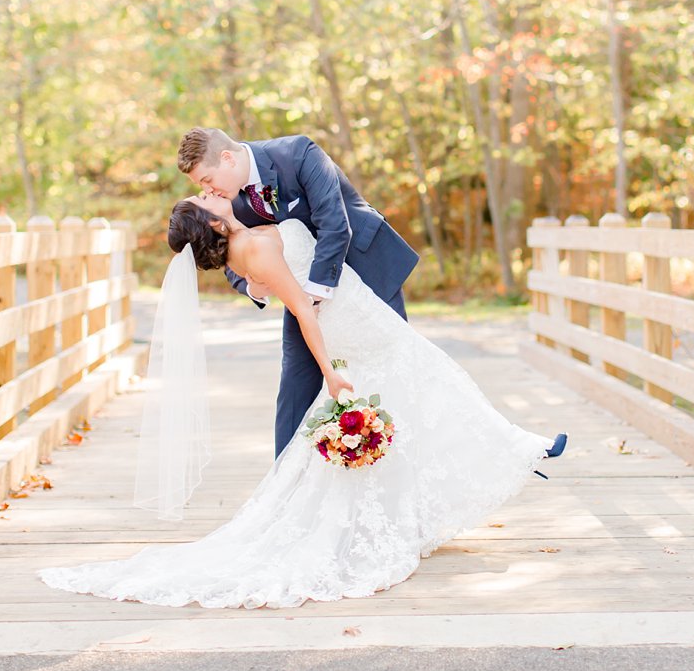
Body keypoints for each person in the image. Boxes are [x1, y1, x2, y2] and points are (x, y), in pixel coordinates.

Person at [37, 195, 567, 609]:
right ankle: (522, 449)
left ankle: (494, 463)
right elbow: (304, 312)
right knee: (439, 379)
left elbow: (273, 284)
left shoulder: (245, 247)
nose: (216, 198)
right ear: (215, 226)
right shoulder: (258, 249)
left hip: (358, 314)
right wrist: (333, 374)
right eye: (210, 205)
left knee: (428, 389)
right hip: (352, 327)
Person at [176, 128, 420, 458]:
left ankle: (403, 461)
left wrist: (314, 299)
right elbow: (223, 250)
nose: (207, 189)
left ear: (227, 158)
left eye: (206, 179)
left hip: (365, 267)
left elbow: (335, 224)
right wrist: (252, 284)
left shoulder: (298, 154)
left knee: (394, 366)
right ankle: (284, 483)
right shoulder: (224, 202)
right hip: (301, 293)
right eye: (200, 187)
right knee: (295, 381)